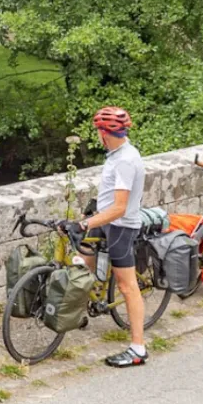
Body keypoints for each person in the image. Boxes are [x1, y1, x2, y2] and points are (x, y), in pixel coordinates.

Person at [77, 106, 147, 368]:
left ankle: (138, 348)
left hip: (120, 226)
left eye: (98, 131)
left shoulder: (126, 160)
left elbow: (120, 206)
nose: (97, 135)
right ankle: (78, 309)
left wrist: (85, 222)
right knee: (82, 261)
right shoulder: (115, 154)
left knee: (127, 286)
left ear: (105, 133)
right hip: (103, 217)